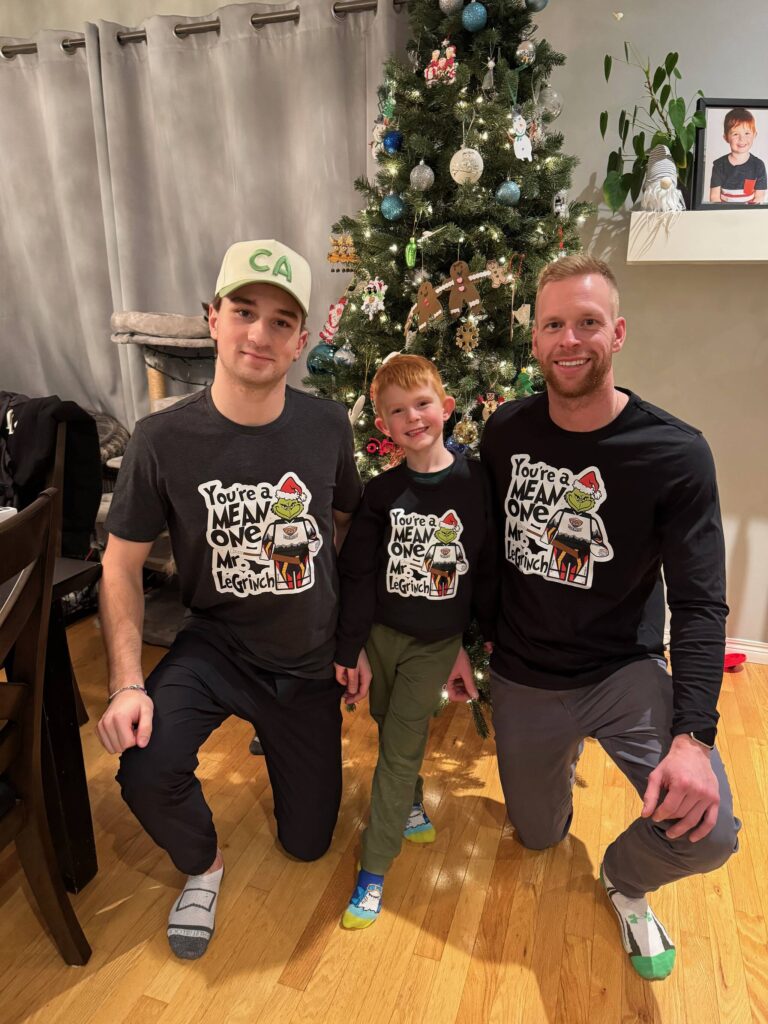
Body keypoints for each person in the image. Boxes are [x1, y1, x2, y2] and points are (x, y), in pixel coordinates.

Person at [472, 253, 739, 981]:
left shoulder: (675, 453)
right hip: (525, 672)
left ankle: (624, 880)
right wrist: (470, 646)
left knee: (709, 833)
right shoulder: (504, 434)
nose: (570, 339)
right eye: (553, 324)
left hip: (622, 670)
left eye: (587, 322)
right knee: (536, 836)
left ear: (617, 332)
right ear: (534, 340)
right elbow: (485, 557)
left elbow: (700, 603)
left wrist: (693, 737)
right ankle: (555, 770)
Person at [96, 239, 362, 959]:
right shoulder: (161, 440)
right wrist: (126, 683)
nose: (259, 333)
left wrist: (348, 635)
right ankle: (203, 867)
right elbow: (118, 569)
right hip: (214, 647)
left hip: (307, 663)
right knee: (145, 764)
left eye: (281, 321)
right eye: (244, 311)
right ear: (212, 318)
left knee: (308, 845)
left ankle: (280, 738)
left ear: (301, 342)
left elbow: (347, 523)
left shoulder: (327, 426)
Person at [334, 354, 496, 929]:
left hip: (433, 645)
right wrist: (351, 648)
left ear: (447, 408)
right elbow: (355, 574)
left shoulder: (477, 483)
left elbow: (483, 571)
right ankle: (406, 801)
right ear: (382, 427)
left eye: (423, 404)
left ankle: (374, 869)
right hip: (379, 640)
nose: (414, 417)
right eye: (397, 412)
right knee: (383, 722)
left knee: (399, 749)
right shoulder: (380, 494)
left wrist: (467, 646)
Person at [709, 106, 767, 204]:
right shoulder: (719, 165)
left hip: (748, 214)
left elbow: (759, 197)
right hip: (724, 214)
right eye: (735, 134)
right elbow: (714, 197)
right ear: (726, 137)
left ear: (754, 135)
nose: (742, 139)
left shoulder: (758, 165)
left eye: (747, 133)